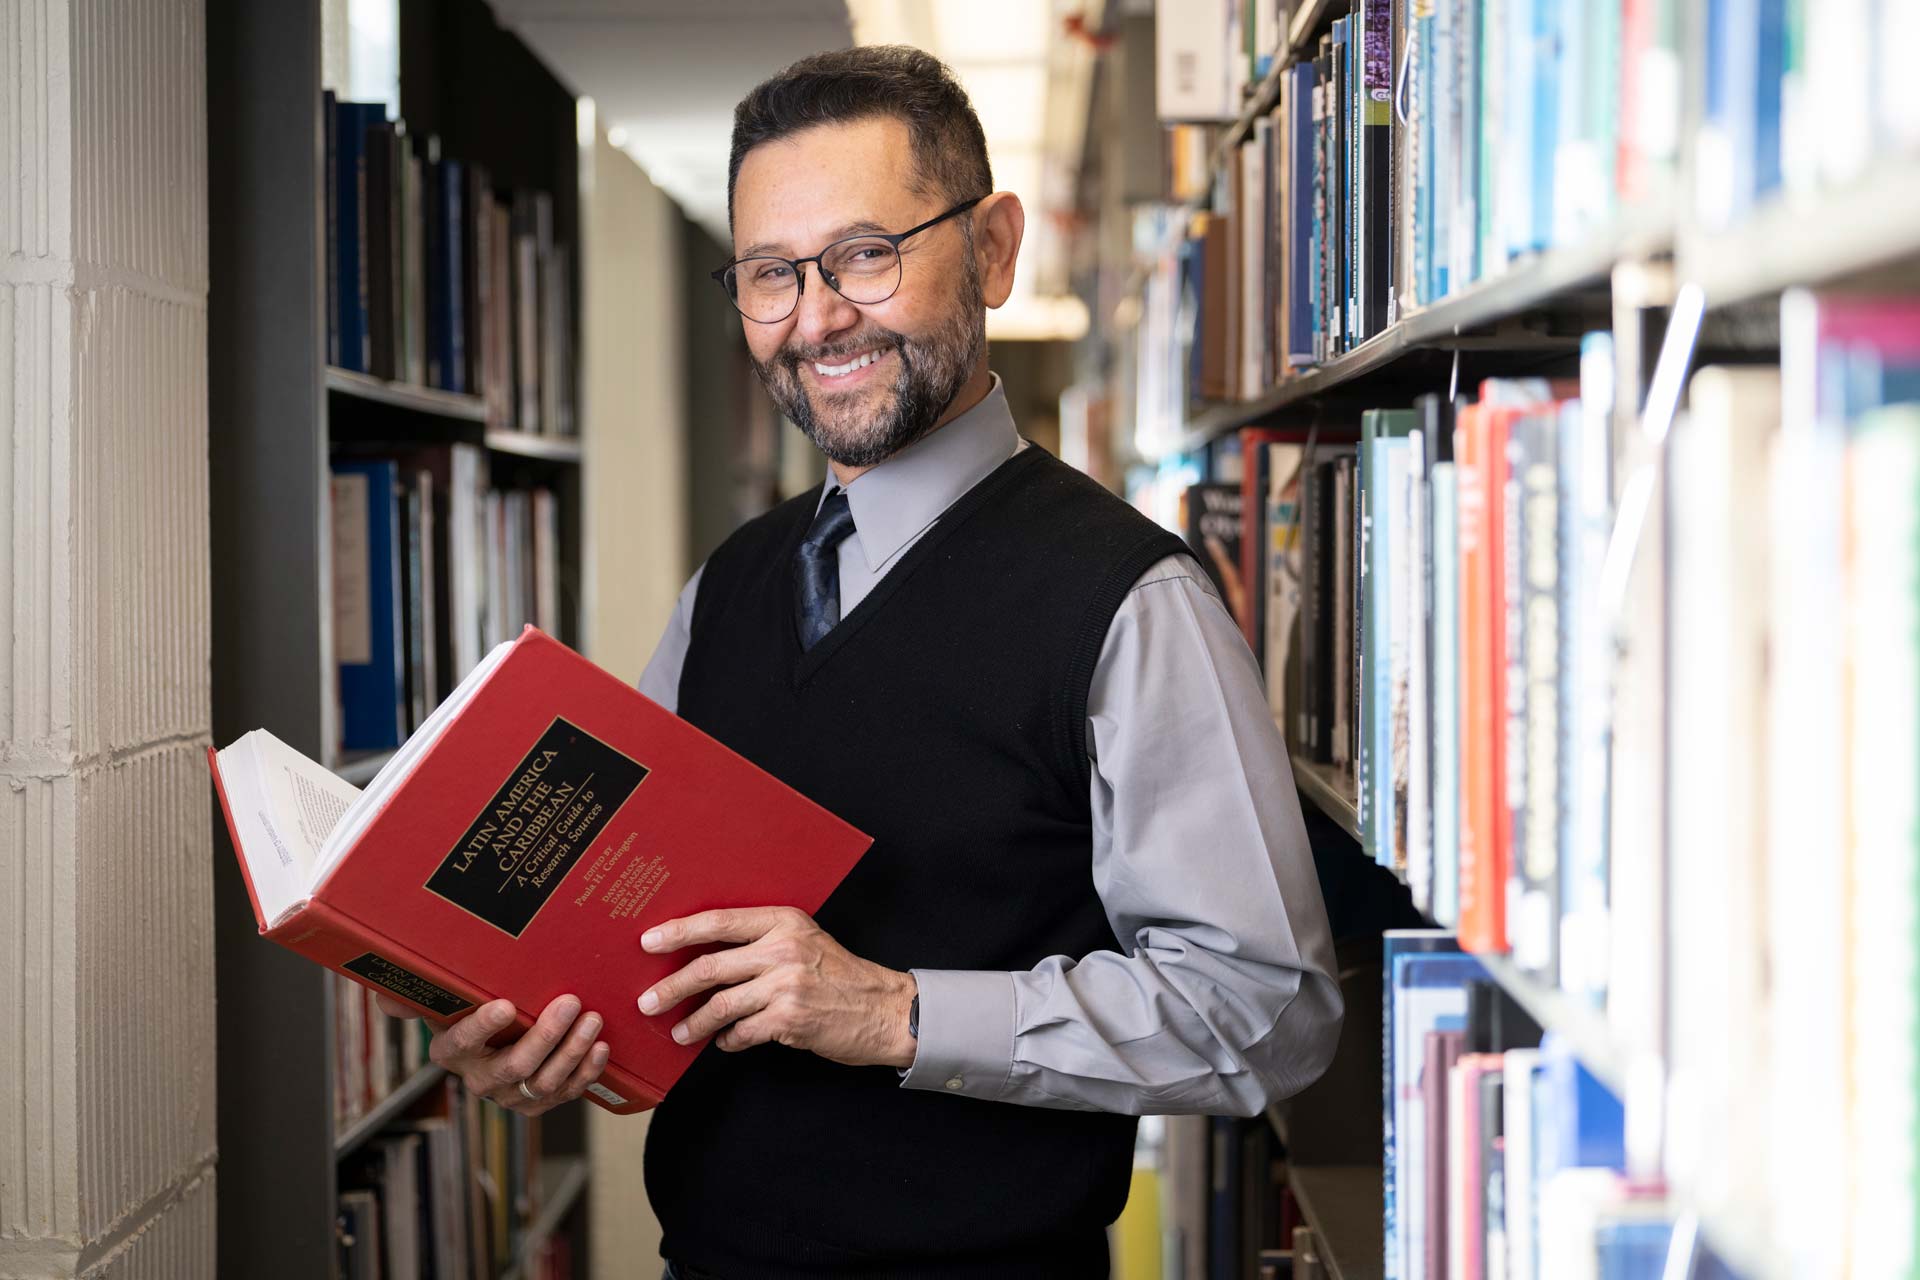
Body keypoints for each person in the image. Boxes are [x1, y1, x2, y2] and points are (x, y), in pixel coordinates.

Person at [376, 44, 1342, 1278]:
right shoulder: (725, 588)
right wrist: (542, 1039)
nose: (818, 317)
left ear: (992, 248)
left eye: (866, 253)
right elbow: (633, 941)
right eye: (771, 273)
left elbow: (1267, 1010)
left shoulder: (1131, 601)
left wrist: (892, 1011)